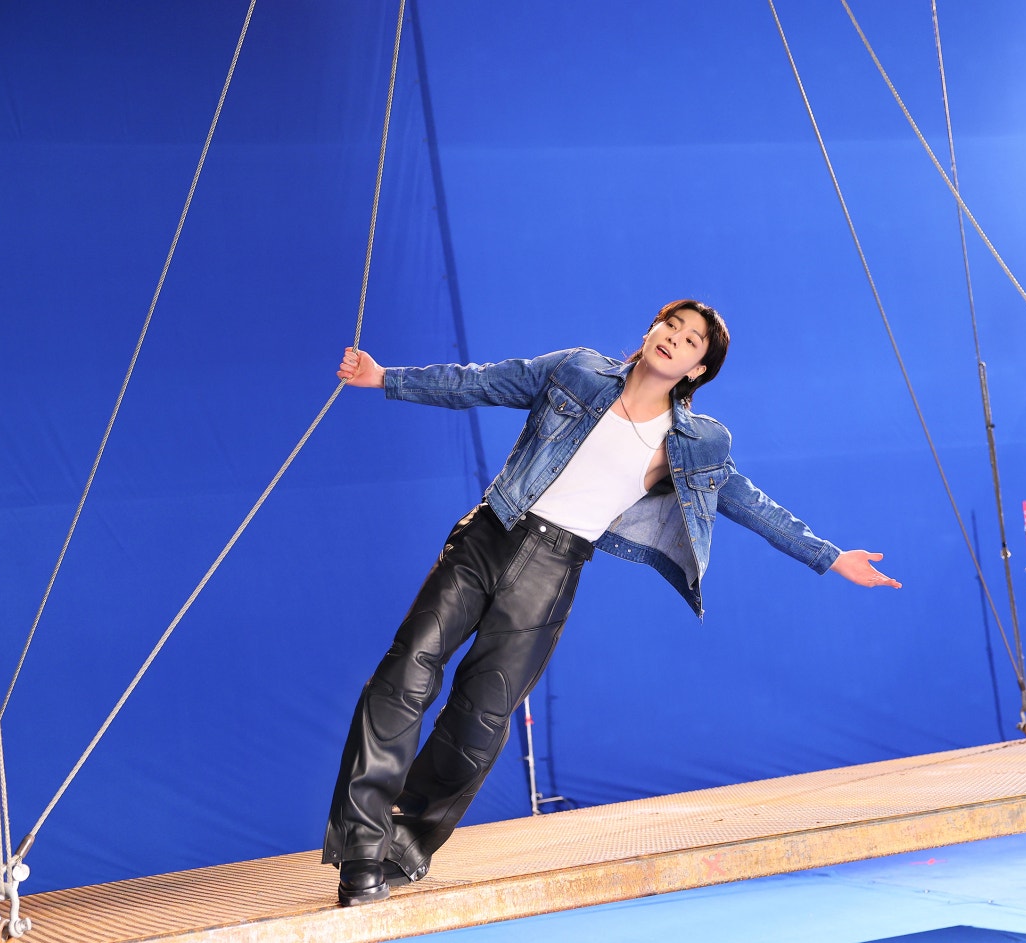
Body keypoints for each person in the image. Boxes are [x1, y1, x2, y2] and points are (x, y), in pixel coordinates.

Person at [323, 299, 899, 905]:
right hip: (489, 536)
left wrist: (830, 556)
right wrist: (384, 378)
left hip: (551, 573)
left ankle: (402, 845)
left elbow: (752, 504)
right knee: (404, 676)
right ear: (651, 331)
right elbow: (483, 381)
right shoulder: (576, 370)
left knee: (479, 720)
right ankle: (361, 850)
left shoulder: (696, 443)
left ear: (698, 370)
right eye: (670, 325)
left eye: (692, 340)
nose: (675, 338)